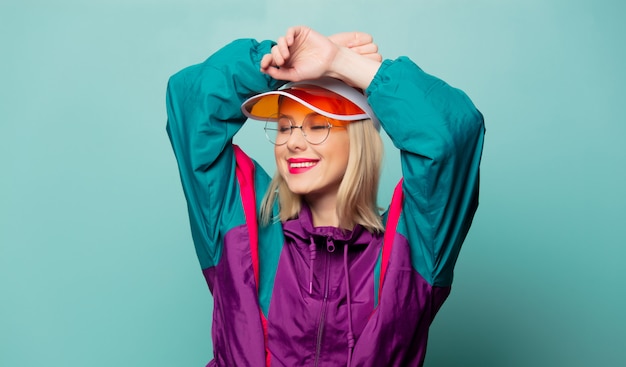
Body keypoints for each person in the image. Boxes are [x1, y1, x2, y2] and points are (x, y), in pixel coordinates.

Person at [166, 26, 485, 367]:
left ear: (358, 141)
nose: (294, 142)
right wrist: (277, 62)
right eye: (285, 126)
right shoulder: (238, 222)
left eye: (318, 126)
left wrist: (342, 63)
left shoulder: (412, 249)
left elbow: (450, 136)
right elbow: (191, 105)